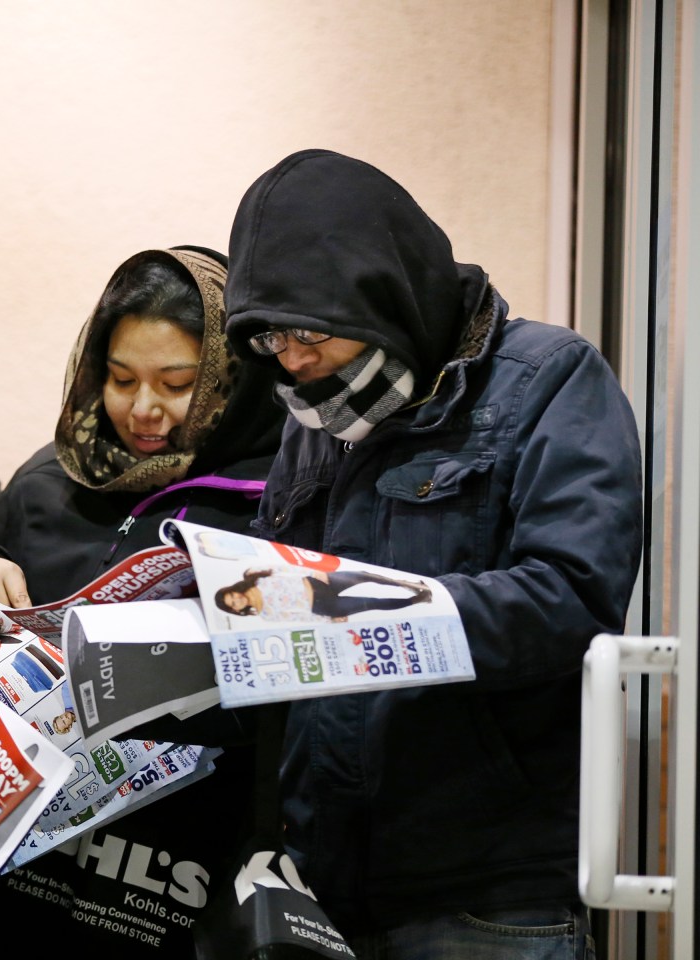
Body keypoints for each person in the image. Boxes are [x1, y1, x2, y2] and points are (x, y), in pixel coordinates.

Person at [223, 149, 643, 959]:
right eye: (269, 336)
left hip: (485, 887)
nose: (293, 361)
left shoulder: (548, 380)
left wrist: (361, 612)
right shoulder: (315, 418)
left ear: (384, 295)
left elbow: (573, 599)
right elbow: (279, 611)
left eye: (309, 330)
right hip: (321, 877)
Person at [0, 246, 285, 956]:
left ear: (231, 378)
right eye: (120, 378)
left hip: (190, 858)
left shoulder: (280, 493)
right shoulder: (58, 470)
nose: (143, 410)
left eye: (177, 383)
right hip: (39, 853)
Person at [216, 567, 432, 621]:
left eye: (232, 596)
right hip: (322, 607)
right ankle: (417, 599)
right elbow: (299, 618)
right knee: (372, 603)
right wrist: (330, 620)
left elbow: (285, 569)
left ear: (233, 590)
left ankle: (409, 584)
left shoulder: (256, 578)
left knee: (363, 575)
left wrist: (313, 571)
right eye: (232, 604)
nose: (236, 599)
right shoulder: (265, 614)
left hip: (319, 581)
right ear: (236, 610)